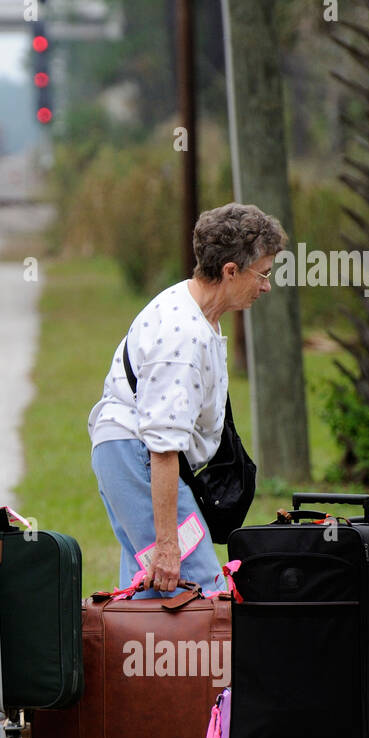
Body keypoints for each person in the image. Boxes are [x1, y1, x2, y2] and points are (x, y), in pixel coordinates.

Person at [87, 203, 287, 597]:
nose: (266, 285)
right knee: (201, 591)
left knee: (150, 595)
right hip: (140, 458)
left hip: (128, 456)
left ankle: (129, 658)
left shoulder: (192, 307)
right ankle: (221, 661)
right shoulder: (183, 336)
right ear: (230, 271)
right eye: (262, 273)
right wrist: (167, 546)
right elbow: (162, 447)